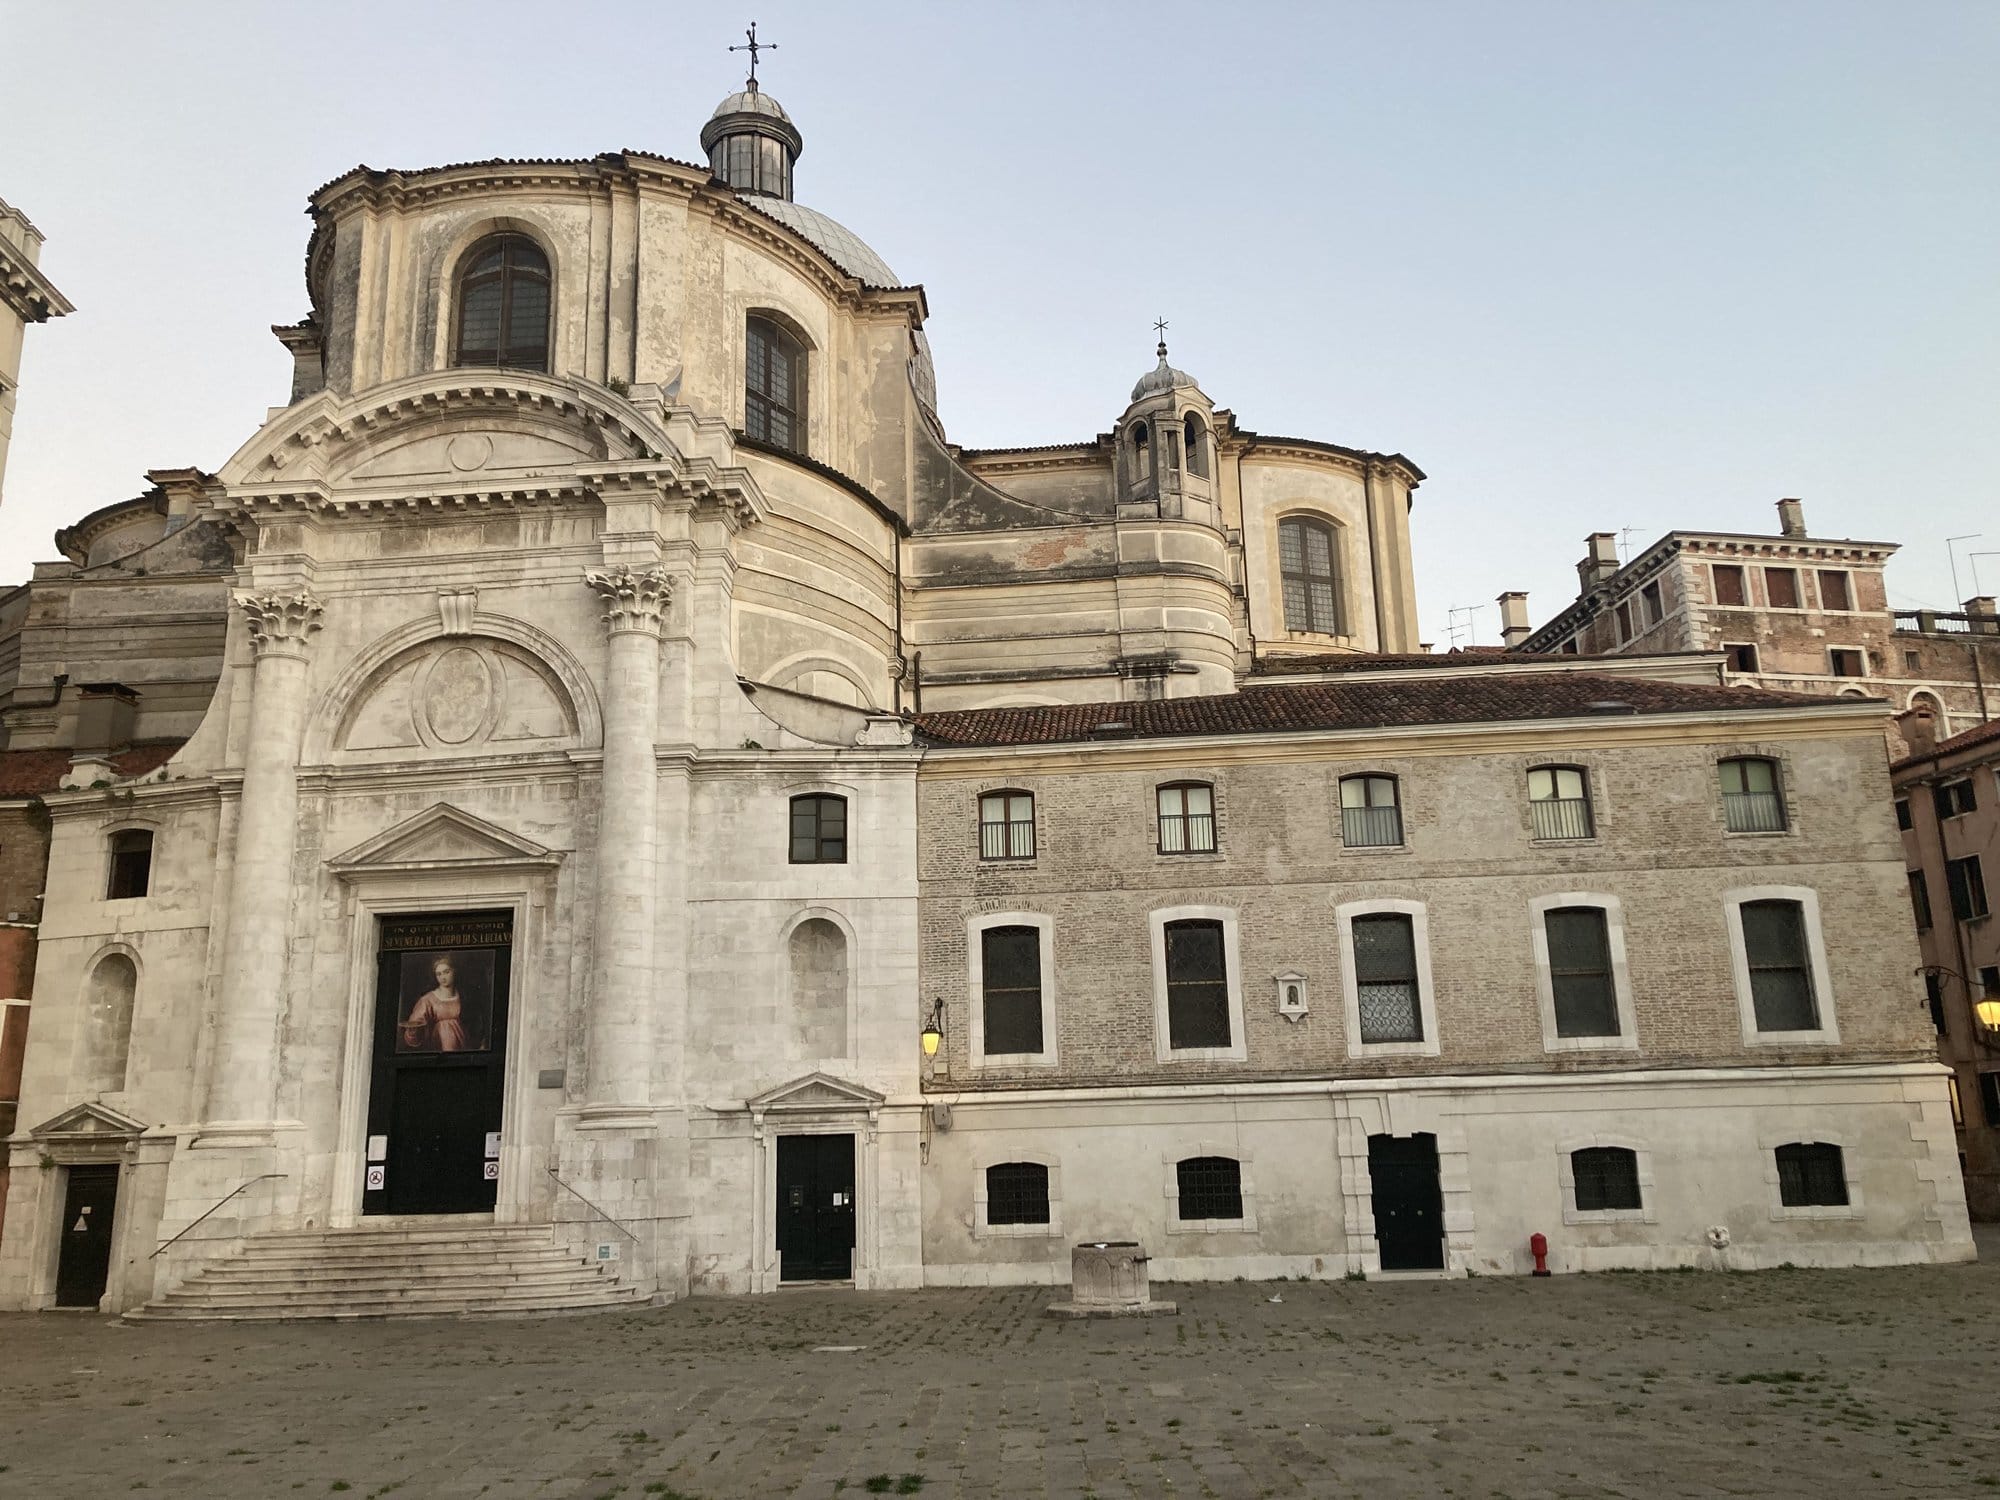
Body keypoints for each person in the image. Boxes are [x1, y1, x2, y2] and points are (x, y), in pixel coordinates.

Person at [399, 955, 476, 1052]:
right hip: (439, 1043)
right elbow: (415, 1023)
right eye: (439, 974)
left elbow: (474, 1022)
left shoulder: (463, 996)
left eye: (446, 972)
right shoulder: (427, 999)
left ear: (454, 971)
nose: (443, 977)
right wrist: (413, 1032)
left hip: (462, 1041)